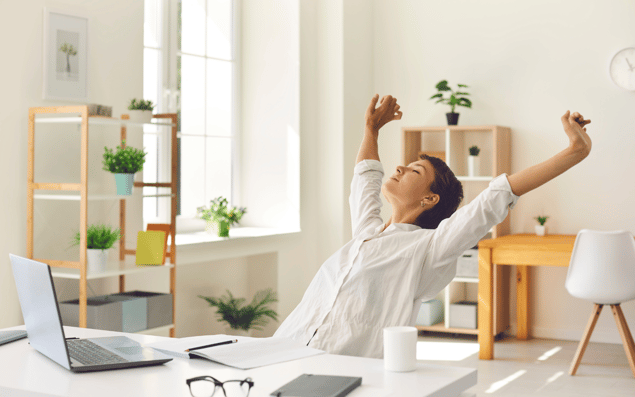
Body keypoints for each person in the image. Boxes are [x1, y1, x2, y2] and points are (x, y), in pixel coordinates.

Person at [274, 94, 592, 358]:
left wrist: (575, 152)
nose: (400, 167)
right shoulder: (367, 233)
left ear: (429, 198)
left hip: (336, 370)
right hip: (283, 348)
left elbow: (497, 195)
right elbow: (365, 178)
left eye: (414, 170)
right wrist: (371, 128)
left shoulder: (429, 249)